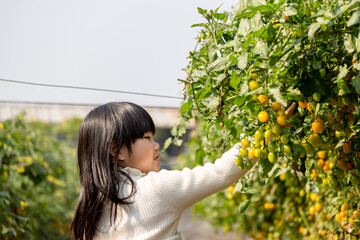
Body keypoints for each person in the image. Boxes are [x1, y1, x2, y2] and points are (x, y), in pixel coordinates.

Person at [69, 102, 263, 240]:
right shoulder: (155, 189)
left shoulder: (90, 208)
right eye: (147, 138)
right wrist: (264, 129)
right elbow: (221, 173)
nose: (156, 145)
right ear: (117, 150)